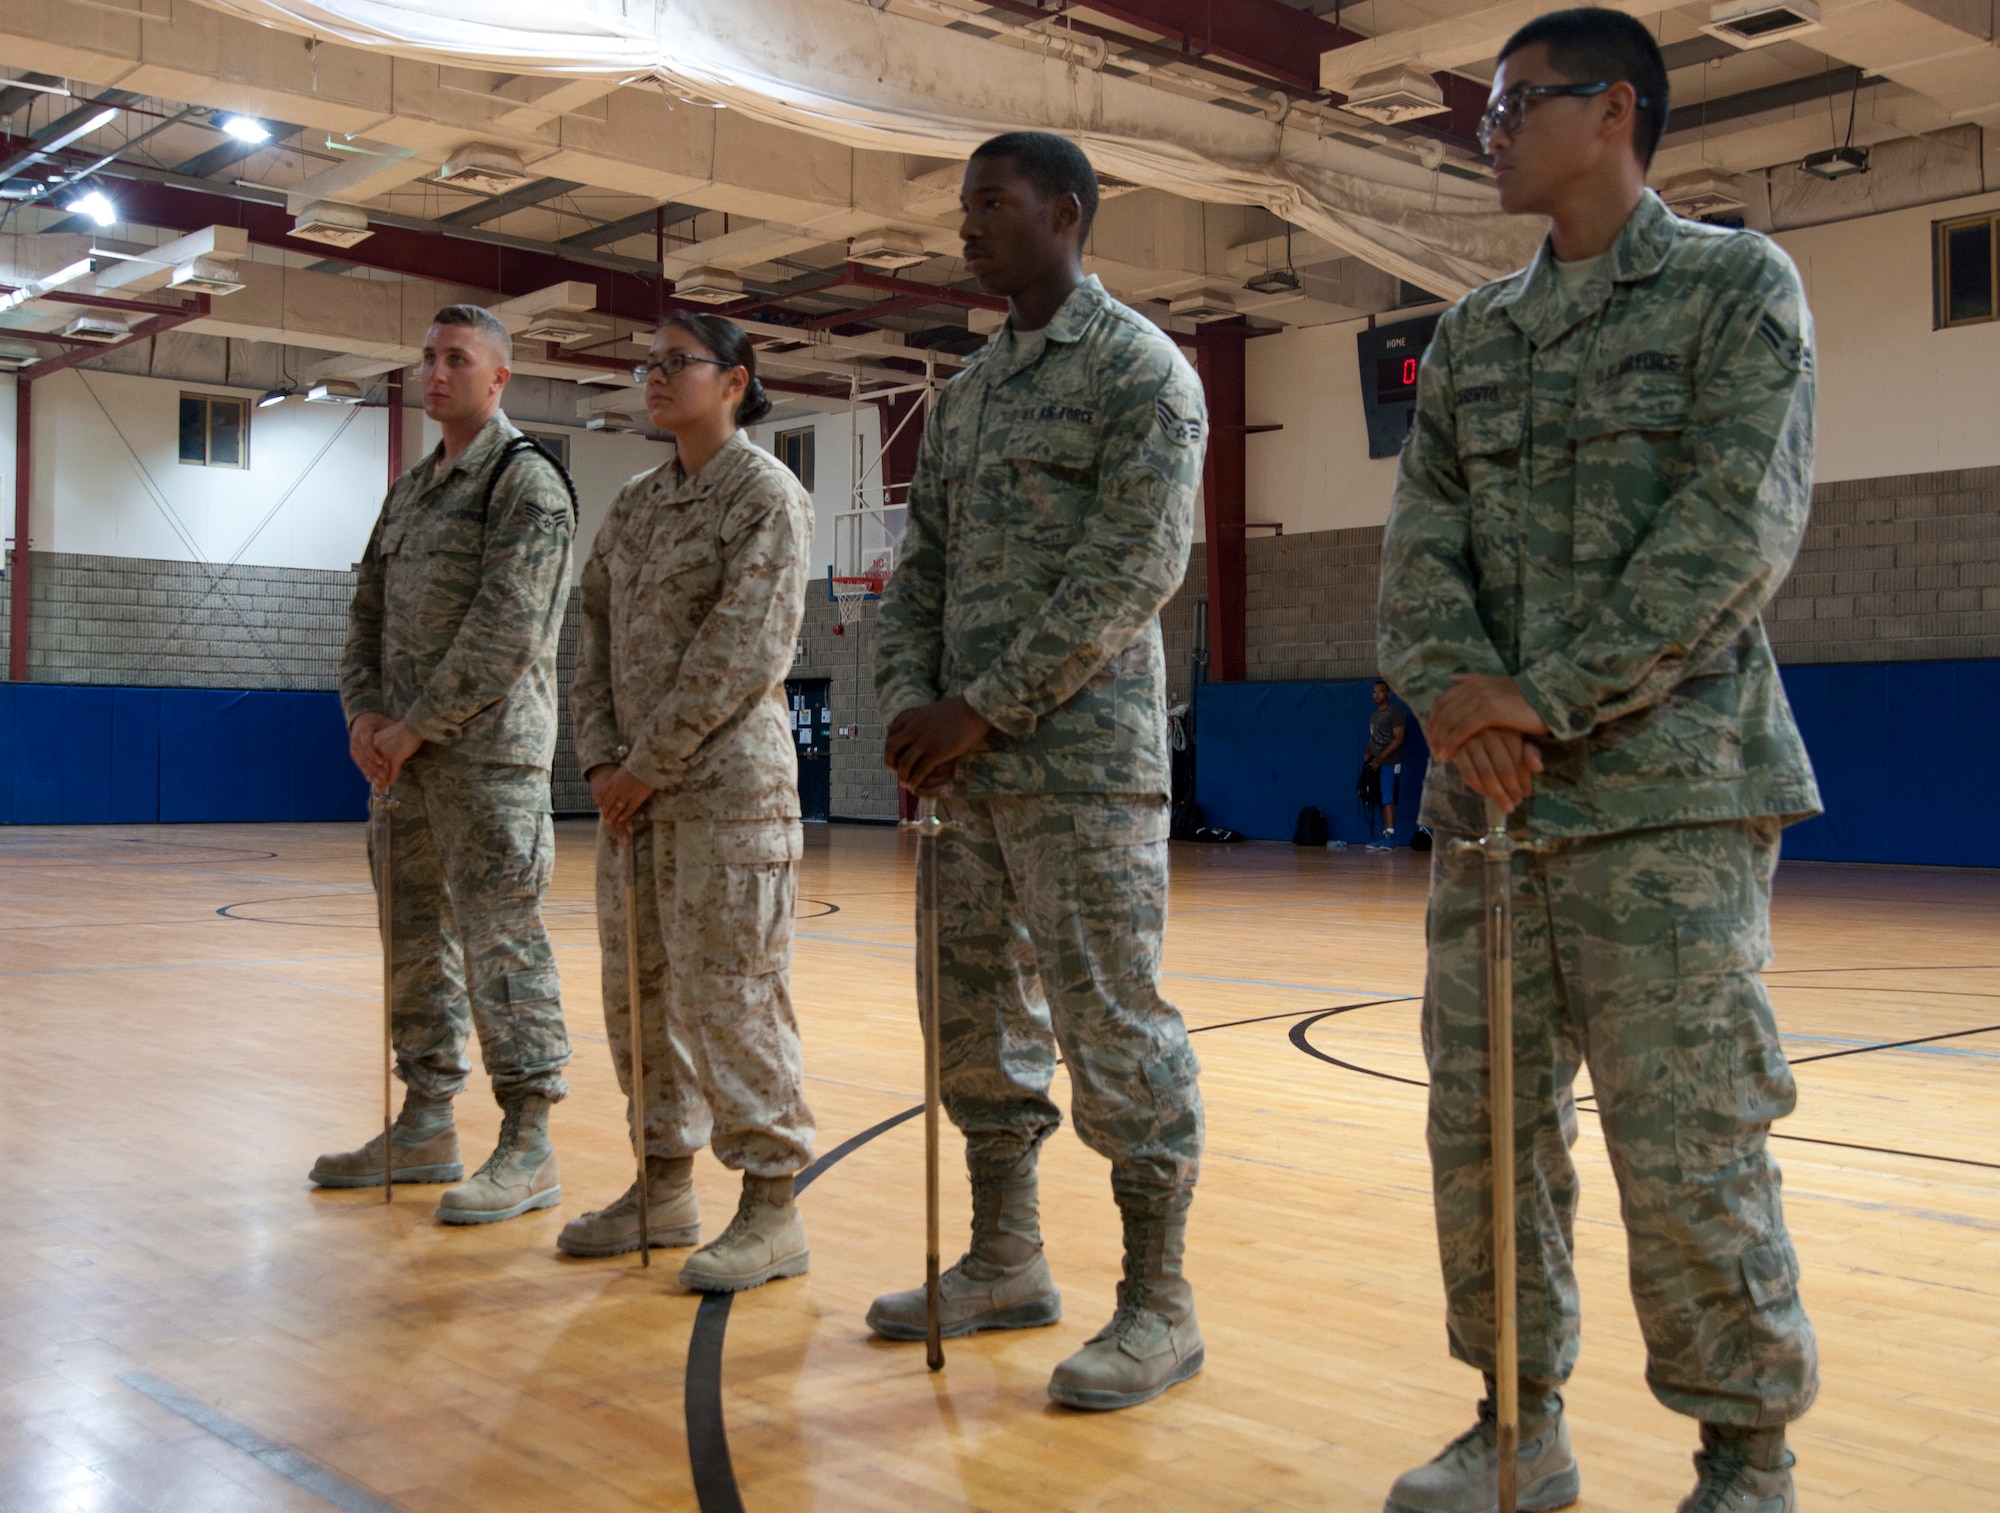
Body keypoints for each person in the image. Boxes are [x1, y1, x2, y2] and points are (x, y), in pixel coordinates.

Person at [1376, 11, 1822, 1512]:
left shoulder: (1733, 289)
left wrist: (1537, 700)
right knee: (1484, 1138)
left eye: (1513, 105)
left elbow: (1728, 536)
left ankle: (1744, 1457)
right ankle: (1519, 1419)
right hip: (1493, 815)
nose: (1485, 132)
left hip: (1666, 802)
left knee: (1691, 1142)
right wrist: (1460, 700)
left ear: (1614, 108)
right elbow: (1417, 555)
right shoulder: (1472, 337)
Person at [871, 131, 1210, 1411]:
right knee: (969, 1025)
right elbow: (921, 576)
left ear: (1063, 214)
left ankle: (1157, 1302)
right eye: (964, 205)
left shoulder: (1141, 372)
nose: (966, 224)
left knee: (1112, 1030)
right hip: (966, 780)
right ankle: (1005, 1257)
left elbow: (1133, 570)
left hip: (1080, 772)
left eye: (990, 203)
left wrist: (983, 706)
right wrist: (910, 702)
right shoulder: (960, 397)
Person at [565, 314, 818, 1292]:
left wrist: (647, 762)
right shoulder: (633, 503)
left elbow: (743, 648)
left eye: (678, 363)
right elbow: (589, 631)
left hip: (726, 798)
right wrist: (598, 762)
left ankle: (769, 1206)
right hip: (632, 799)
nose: (655, 377)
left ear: (734, 382)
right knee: (640, 996)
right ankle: (662, 1182)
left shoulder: (764, 495)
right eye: (648, 363)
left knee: (732, 995)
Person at [317, 304, 577, 1226]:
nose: (435, 372)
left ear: (498, 378)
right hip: (403, 765)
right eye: (427, 357)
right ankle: (427, 1117)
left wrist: (418, 725)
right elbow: (364, 615)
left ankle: (530, 1141)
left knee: (503, 947)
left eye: (456, 359)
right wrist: (363, 715)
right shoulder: (410, 491)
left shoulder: (525, 483)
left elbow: (508, 629)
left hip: (488, 764)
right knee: (414, 942)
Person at [1365, 678, 1408, 849]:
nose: (1377, 695)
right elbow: (1373, 736)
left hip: (1390, 761)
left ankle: (1390, 834)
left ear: (1388, 693)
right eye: (1374, 692)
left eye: (1380, 691)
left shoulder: (1395, 712)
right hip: (1376, 762)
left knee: (1389, 796)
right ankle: (1383, 833)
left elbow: (1399, 738)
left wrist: (1381, 757)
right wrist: (1368, 751)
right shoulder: (1374, 715)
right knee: (1380, 797)